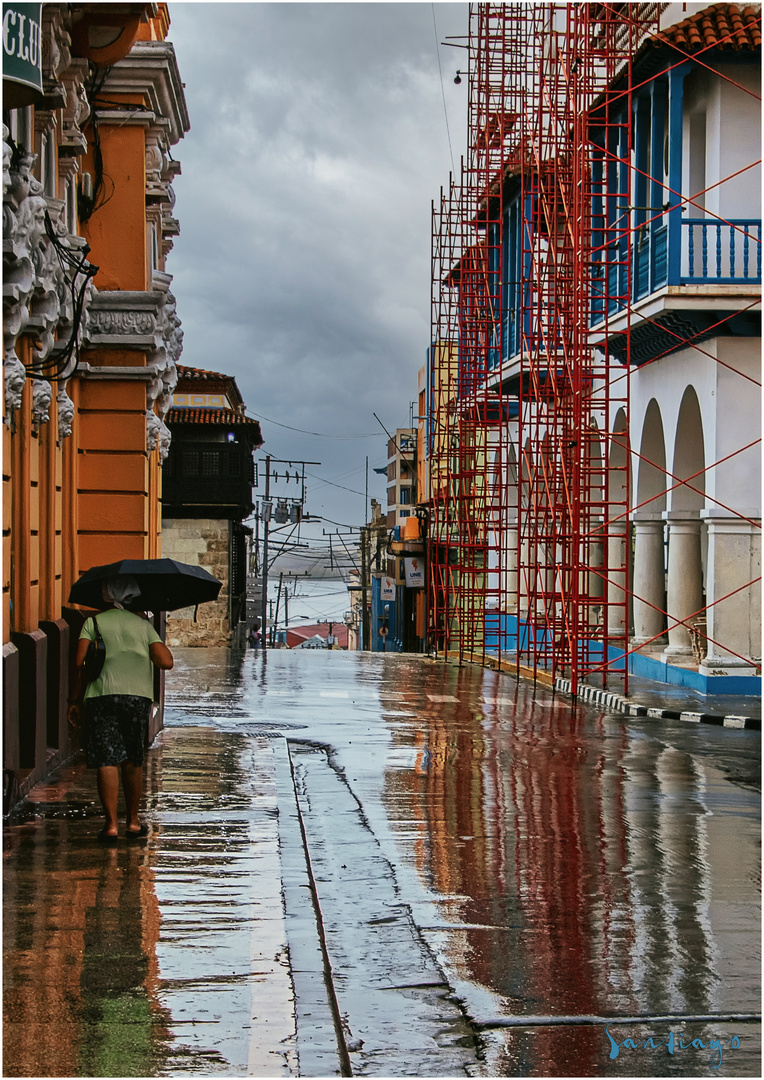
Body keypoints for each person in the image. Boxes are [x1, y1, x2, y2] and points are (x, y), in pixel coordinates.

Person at [70, 576, 173, 844]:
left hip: (100, 696)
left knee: (107, 758)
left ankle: (111, 825)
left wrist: (74, 700)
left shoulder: (92, 623)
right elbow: (166, 662)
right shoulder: (143, 625)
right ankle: (134, 821)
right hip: (136, 699)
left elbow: (79, 661)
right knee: (132, 760)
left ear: (105, 595)